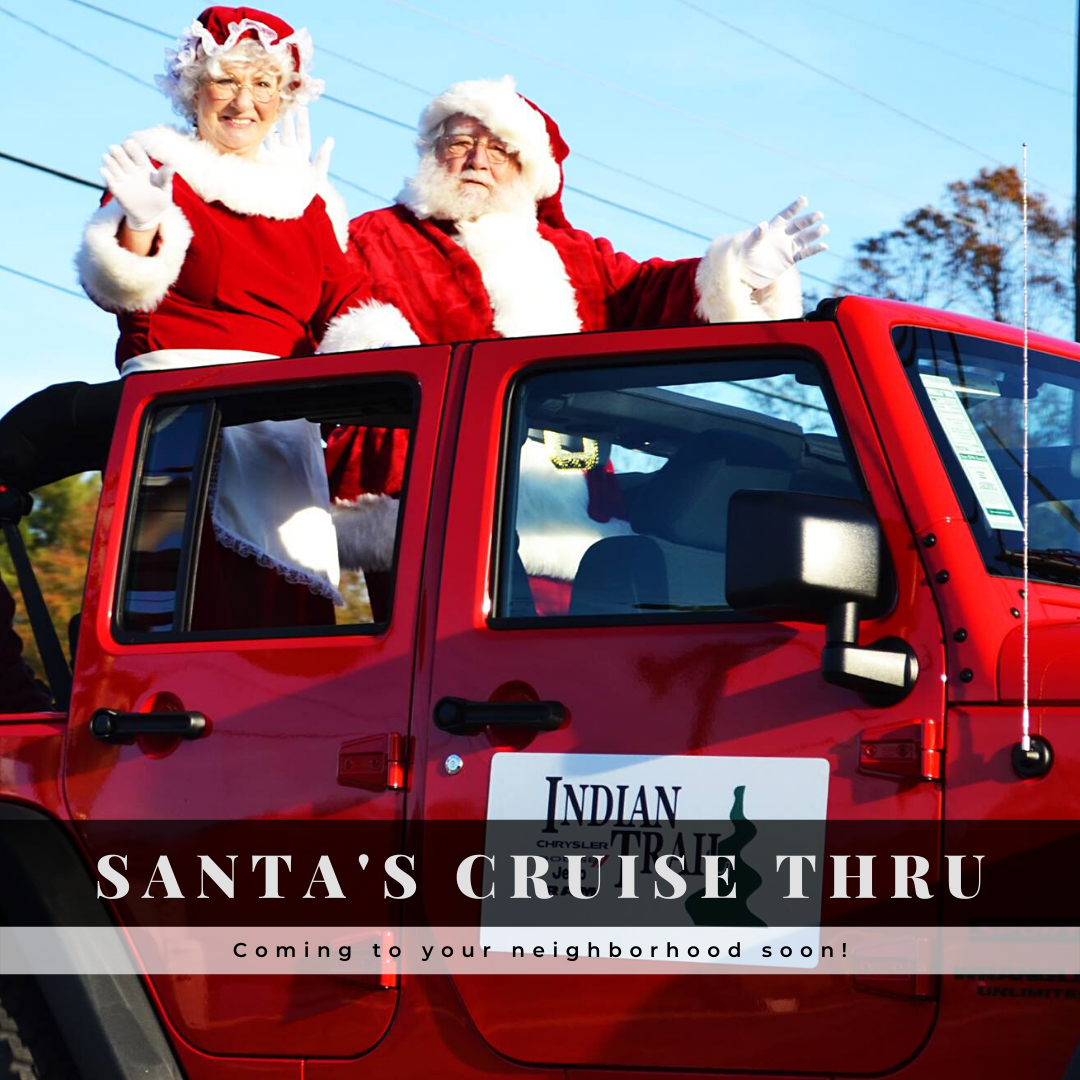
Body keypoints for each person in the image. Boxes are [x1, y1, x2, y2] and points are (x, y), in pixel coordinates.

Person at [331, 76, 829, 600]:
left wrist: (738, 272)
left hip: (576, 502)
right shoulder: (369, 240)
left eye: (500, 149)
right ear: (432, 155)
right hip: (433, 506)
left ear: (528, 171)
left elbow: (645, 292)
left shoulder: (572, 256)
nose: (477, 160)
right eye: (459, 144)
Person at [75, 6, 415, 627]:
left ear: (287, 96)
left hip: (280, 437)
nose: (243, 101)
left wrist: (397, 370)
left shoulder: (307, 200)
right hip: (180, 429)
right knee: (178, 620)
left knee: (282, 628)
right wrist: (143, 225)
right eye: (227, 79)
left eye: (263, 84)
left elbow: (350, 306)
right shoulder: (158, 172)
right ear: (192, 87)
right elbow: (119, 289)